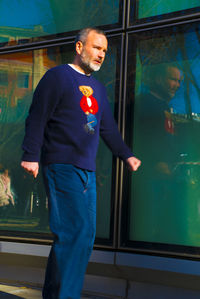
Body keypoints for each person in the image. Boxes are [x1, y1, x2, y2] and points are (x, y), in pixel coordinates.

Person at [21, 27, 141, 299]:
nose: (101, 54)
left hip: (87, 171)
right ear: (79, 47)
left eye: (105, 51)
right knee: (74, 232)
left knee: (82, 238)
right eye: (97, 48)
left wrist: (126, 154)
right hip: (61, 165)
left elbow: (107, 128)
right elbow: (37, 116)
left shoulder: (97, 87)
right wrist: (30, 154)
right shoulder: (57, 77)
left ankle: (56, 294)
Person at [134, 63, 182, 243]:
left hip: (164, 177)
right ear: (158, 79)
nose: (176, 85)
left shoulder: (165, 107)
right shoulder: (144, 104)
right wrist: (158, 162)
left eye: (179, 81)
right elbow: (144, 140)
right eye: (172, 79)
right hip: (149, 178)